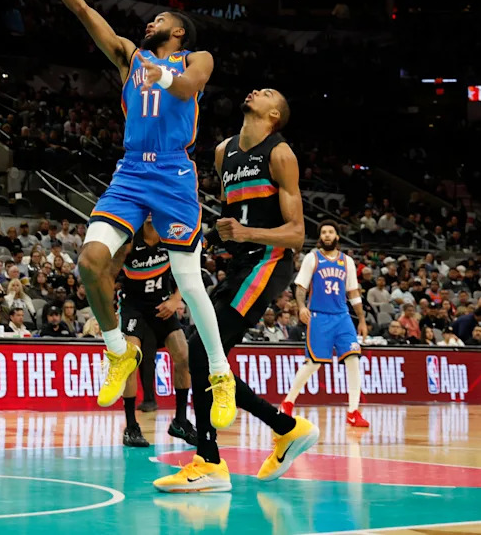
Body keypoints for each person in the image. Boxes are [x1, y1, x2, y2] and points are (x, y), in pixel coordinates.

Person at [9, 0, 237, 424]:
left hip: (175, 173)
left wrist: (163, 72)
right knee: (90, 262)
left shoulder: (195, 57)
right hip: (131, 173)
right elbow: (82, 10)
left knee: (188, 279)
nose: (148, 23)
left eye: (158, 18)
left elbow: (189, 84)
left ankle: (220, 374)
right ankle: (117, 351)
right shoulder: (129, 59)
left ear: (176, 30)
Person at [154, 88, 316, 493]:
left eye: (268, 93)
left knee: (199, 350)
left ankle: (210, 461)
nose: (257, 91)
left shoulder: (280, 155)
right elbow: (231, 221)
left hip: (269, 263)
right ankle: (285, 428)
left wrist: (247, 233)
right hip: (240, 264)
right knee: (206, 354)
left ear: (274, 113)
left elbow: (297, 234)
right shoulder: (224, 151)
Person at [113, 218, 197, 449]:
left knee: (183, 355)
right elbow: (109, 274)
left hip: (162, 305)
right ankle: (131, 427)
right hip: (134, 308)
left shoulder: (171, 236)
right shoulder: (129, 239)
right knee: (130, 360)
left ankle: (180, 420)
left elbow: (187, 272)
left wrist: (175, 299)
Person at [283, 221, 370, 428]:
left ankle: (353, 412)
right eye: (324, 232)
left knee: (354, 360)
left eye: (331, 232)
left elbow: (353, 293)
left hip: (342, 317)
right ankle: (288, 402)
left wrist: (363, 320)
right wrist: (302, 307)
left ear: (337, 236)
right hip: (319, 316)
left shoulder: (346, 261)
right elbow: (301, 286)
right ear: (320, 237)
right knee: (313, 363)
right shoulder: (312, 258)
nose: (328, 235)